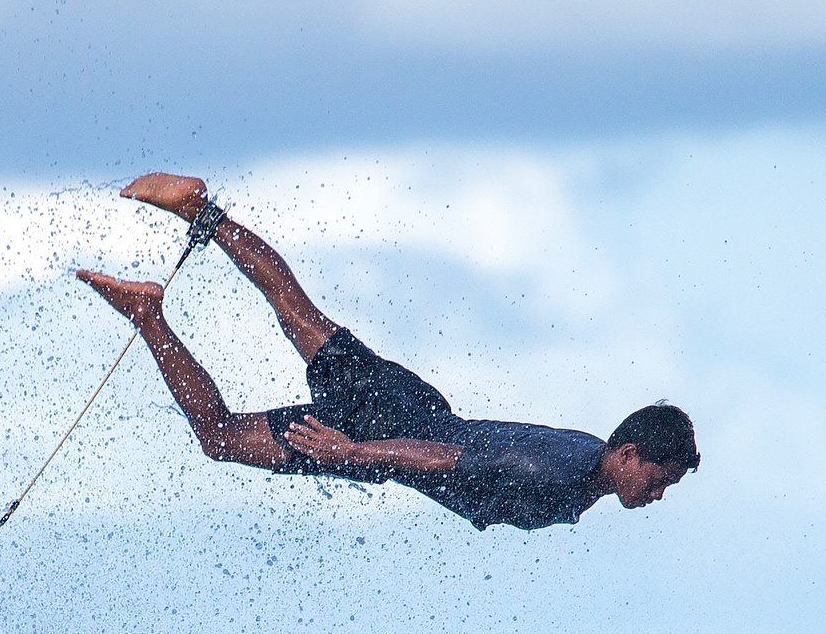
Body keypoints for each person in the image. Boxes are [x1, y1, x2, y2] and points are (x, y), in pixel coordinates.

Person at [76, 173, 699, 532]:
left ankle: (200, 216)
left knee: (300, 317)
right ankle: (151, 310)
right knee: (219, 435)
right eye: (657, 478)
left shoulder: (583, 454)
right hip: (387, 436)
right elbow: (445, 458)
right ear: (628, 452)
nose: (656, 494)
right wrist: (354, 452)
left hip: (413, 406)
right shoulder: (561, 476)